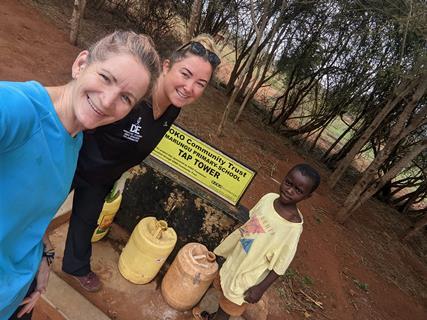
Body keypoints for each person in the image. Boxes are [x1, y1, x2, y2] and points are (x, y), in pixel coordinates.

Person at [0, 30, 160, 320]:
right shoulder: (18, 108)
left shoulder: (75, 139)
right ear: (81, 64)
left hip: (17, 297)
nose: (109, 100)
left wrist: (42, 251)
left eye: (126, 97)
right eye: (106, 78)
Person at [61, 34, 221, 292]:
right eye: (186, 74)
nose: (190, 87)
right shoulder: (135, 98)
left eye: (200, 83)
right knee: (35, 212)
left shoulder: (173, 108)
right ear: (167, 66)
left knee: (86, 220)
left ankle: (75, 266)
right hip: (73, 163)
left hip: (103, 177)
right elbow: (85, 118)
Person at [194, 163, 321, 320]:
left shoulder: (292, 228)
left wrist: (260, 288)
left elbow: (281, 265)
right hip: (238, 257)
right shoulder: (268, 199)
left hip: (250, 273)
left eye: (298, 190)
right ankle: (216, 316)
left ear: (307, 196)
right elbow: (252, 223)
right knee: (224, 287)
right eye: (288, 183)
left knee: (231, 303)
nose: (289, 190)